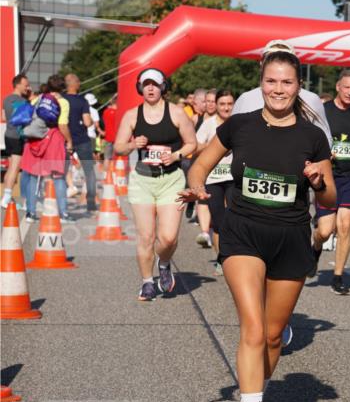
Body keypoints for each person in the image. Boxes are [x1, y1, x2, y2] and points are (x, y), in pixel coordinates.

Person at [178, 48, 335, 402]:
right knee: (251, 327)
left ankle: (254, 395)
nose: (278, 89)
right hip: (243, 233)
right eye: (271, 81)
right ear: (260, 83)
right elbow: (201, 163)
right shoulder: (239, 126)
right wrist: (197, 186)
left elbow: (330, 195)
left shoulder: (313, 135)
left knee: (270, 337)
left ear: (298, 86)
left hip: (291, 237)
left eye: (287, 82)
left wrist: (317, 180)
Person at [114, 68, 197, 301]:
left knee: (168, 237)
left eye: (155, 84)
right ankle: (147, 282)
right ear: (140, 87)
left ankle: (165, 262)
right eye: (146, 84)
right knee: (146, 236)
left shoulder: (177, 113)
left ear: (163, 87)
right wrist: (132, 144)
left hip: (171, 179)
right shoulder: (132, 115)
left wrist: (177, 155)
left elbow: (192, 143)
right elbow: (118, 146)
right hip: (142, 180)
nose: (150, 88)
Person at [315, 69, 350, 295]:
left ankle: (338, 275)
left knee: (346, 224)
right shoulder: (324, 111)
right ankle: (316, 246)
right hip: (327, 175)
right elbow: (311, 138)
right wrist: (322, 154)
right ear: (338, 87)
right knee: (325, 231)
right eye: (346, 87)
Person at [194, 89, 236, 274]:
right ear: (216, 106)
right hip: (214, 177)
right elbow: (194, 149)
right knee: (218, 222)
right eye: (222, 104)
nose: (226, 107)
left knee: (235, 218)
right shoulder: (209, 124)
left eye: (229, 104)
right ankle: (221, 258)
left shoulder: (239, 123)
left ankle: (235, 256)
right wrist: (214, 145)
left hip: (234, 177)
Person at [20, 75, 72, 222]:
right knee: (58, 176)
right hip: (53, 140)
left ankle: (30, 213)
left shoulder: (39, 98)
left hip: (35, 140)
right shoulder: (63, 102)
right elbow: (62, 125)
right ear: (63, 88)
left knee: (32, 176)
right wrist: (69, 141)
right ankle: (63, 214)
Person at [63, 73, 98, 212]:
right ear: (75, 83)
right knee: (89, 171)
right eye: (79, 81)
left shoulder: (61, 99)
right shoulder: (82, 101)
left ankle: (61, 203)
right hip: (82, 139)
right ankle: (90, 203)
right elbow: (88, 122)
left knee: (62, 171)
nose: (80, 83)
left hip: (65, 140)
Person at [1, 74, 31, 210]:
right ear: (18, 84)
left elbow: (3, 116)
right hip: (18, 137)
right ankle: (7, 197)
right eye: (26, 84)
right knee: (15, 167)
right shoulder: (23, 101)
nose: (28, 87)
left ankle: (7, 197)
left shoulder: (6, 99)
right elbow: (27, 120)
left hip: (8, 135)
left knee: (10, 166)